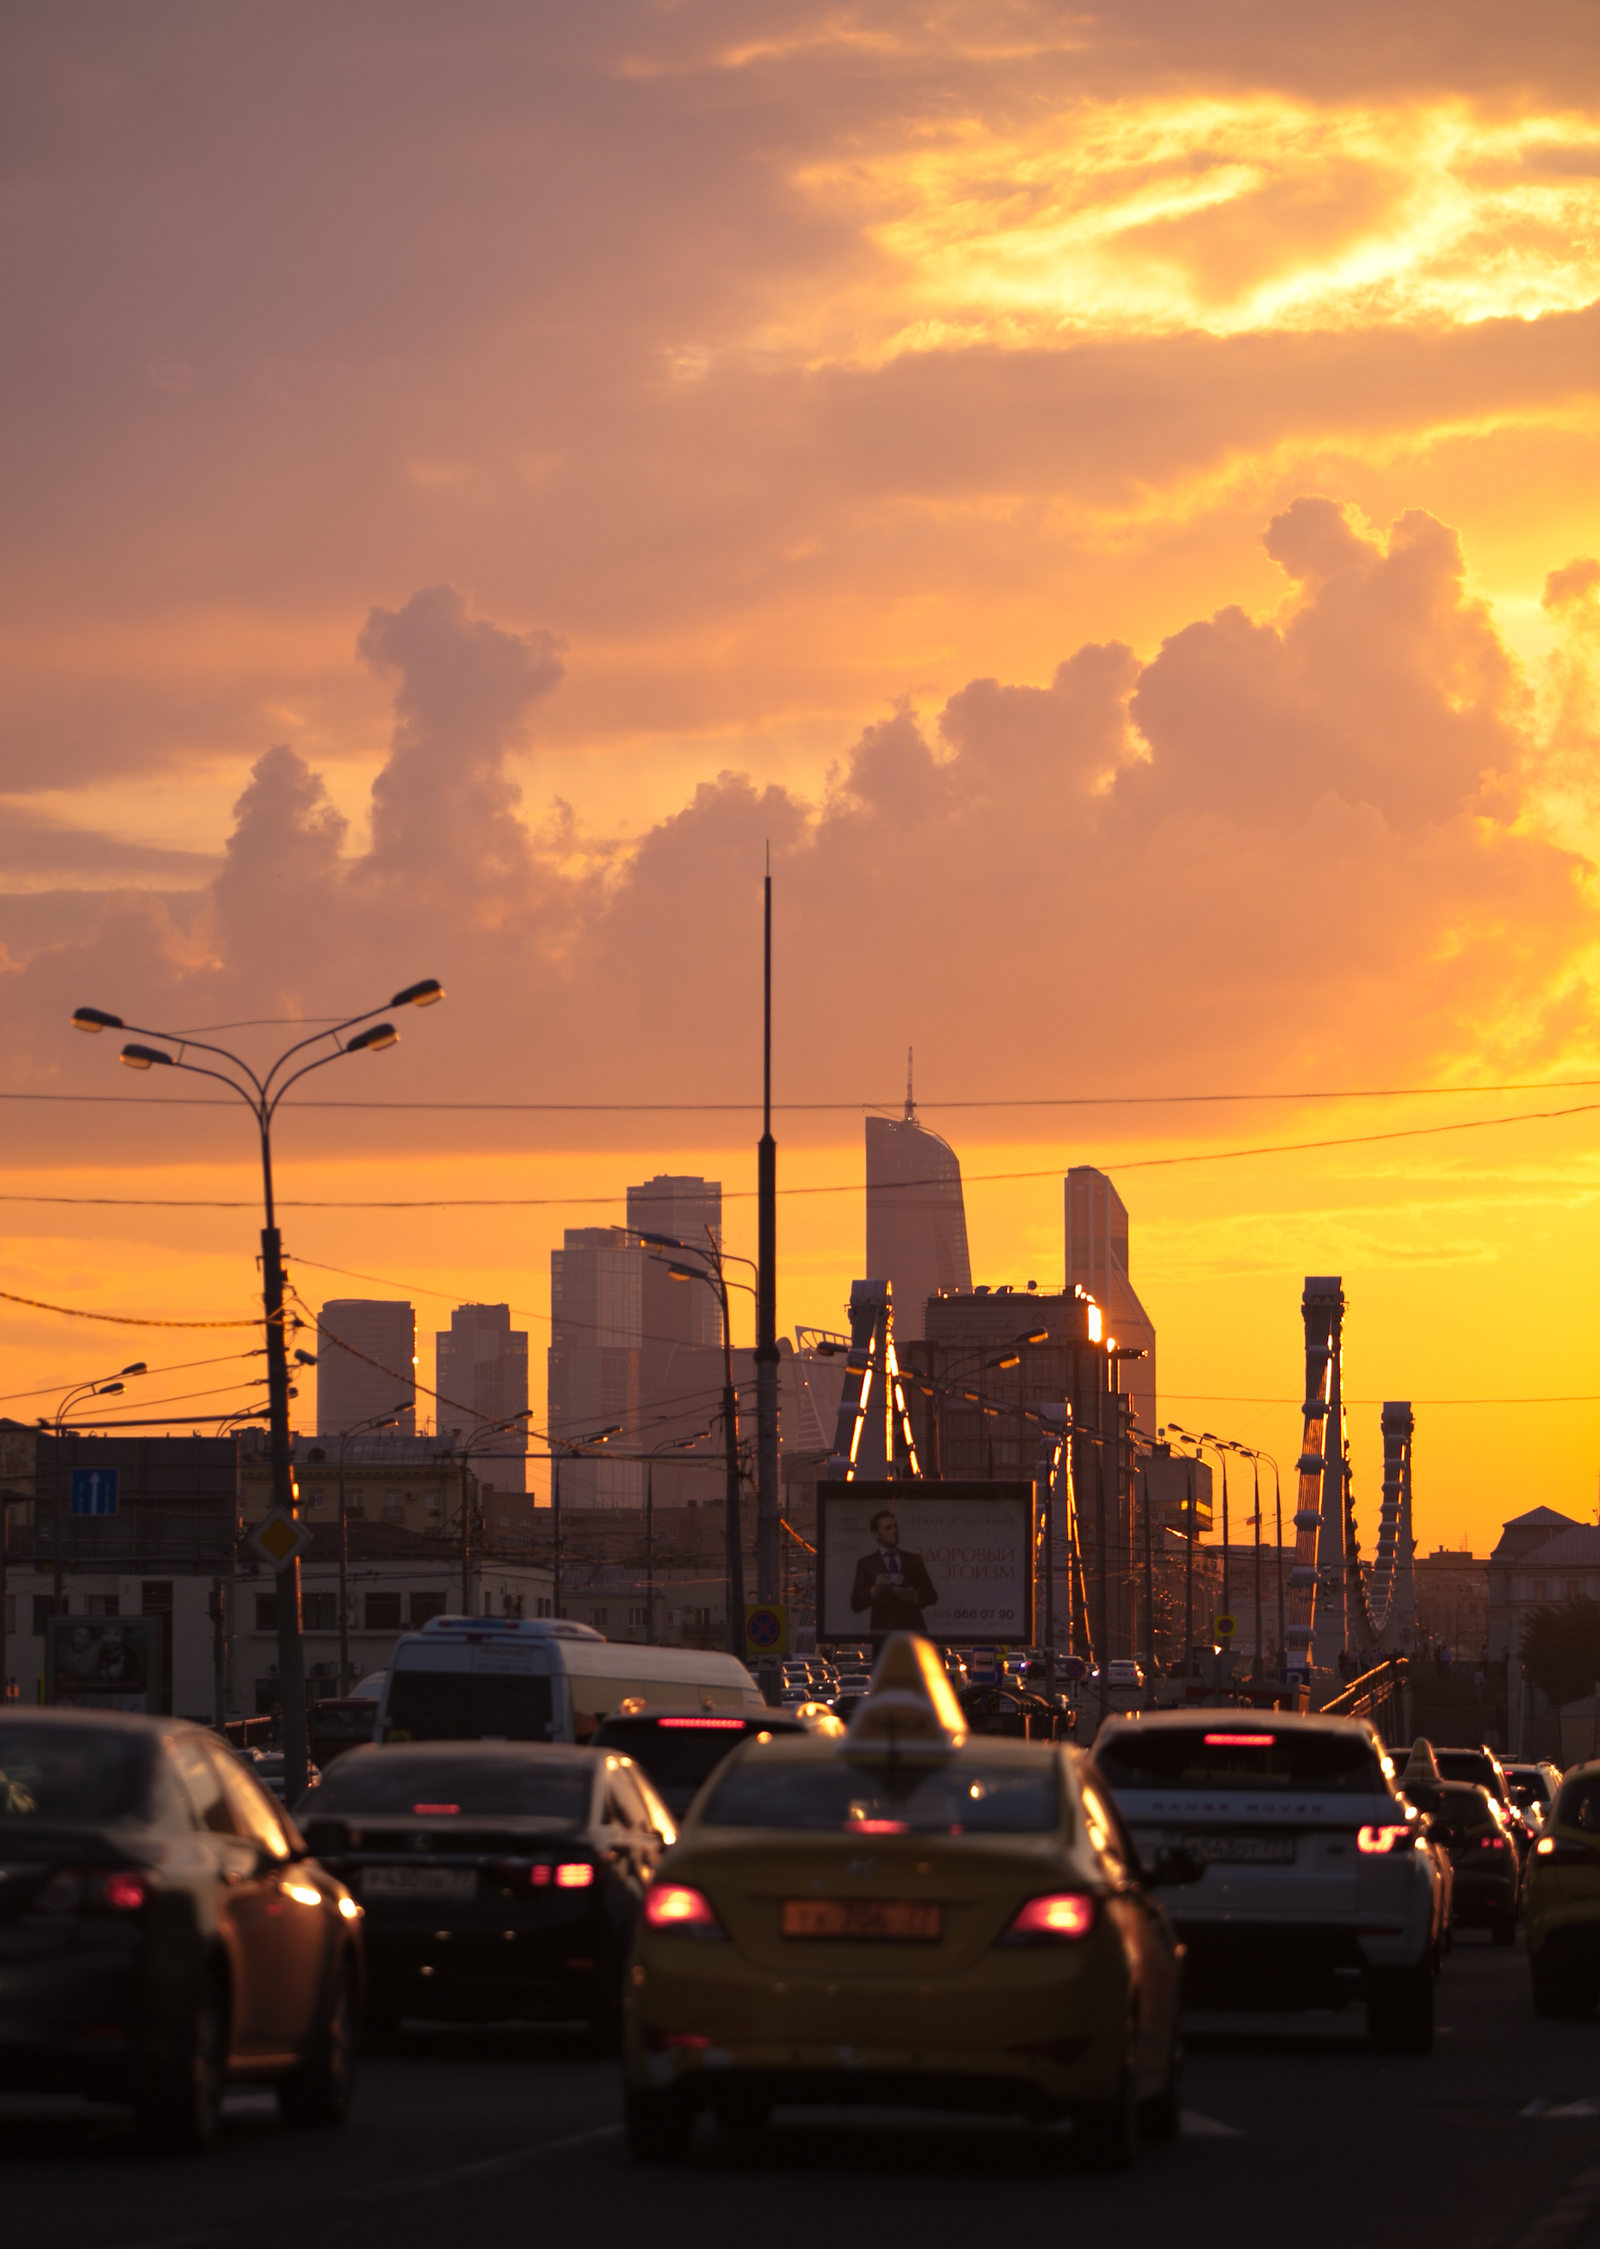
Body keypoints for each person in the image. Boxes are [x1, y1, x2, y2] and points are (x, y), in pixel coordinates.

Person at [849, 1508, 938, 1634]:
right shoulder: (866, 1563)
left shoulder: (913, 1560)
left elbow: (932, 1595)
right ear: (876, 1534)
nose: (894, 1531)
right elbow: (856, 1603)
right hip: (882, 1633)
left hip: (913, 1633)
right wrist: (874, 1590)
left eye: (895, 1527)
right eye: (888, 1528)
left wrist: (913, 1596)